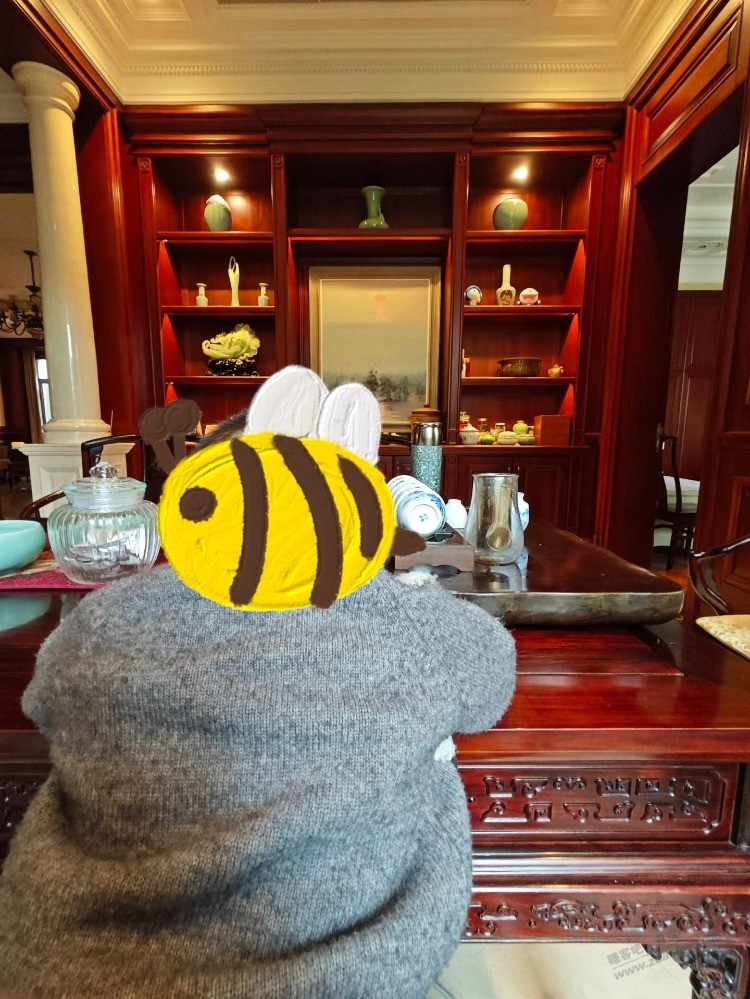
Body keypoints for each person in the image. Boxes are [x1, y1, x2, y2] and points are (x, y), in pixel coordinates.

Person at [0, 373, 516, 999]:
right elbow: (491, 682)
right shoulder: (406, 618)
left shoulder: (107, 616)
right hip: (351, 971)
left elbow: (44, 704)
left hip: (64, 966)